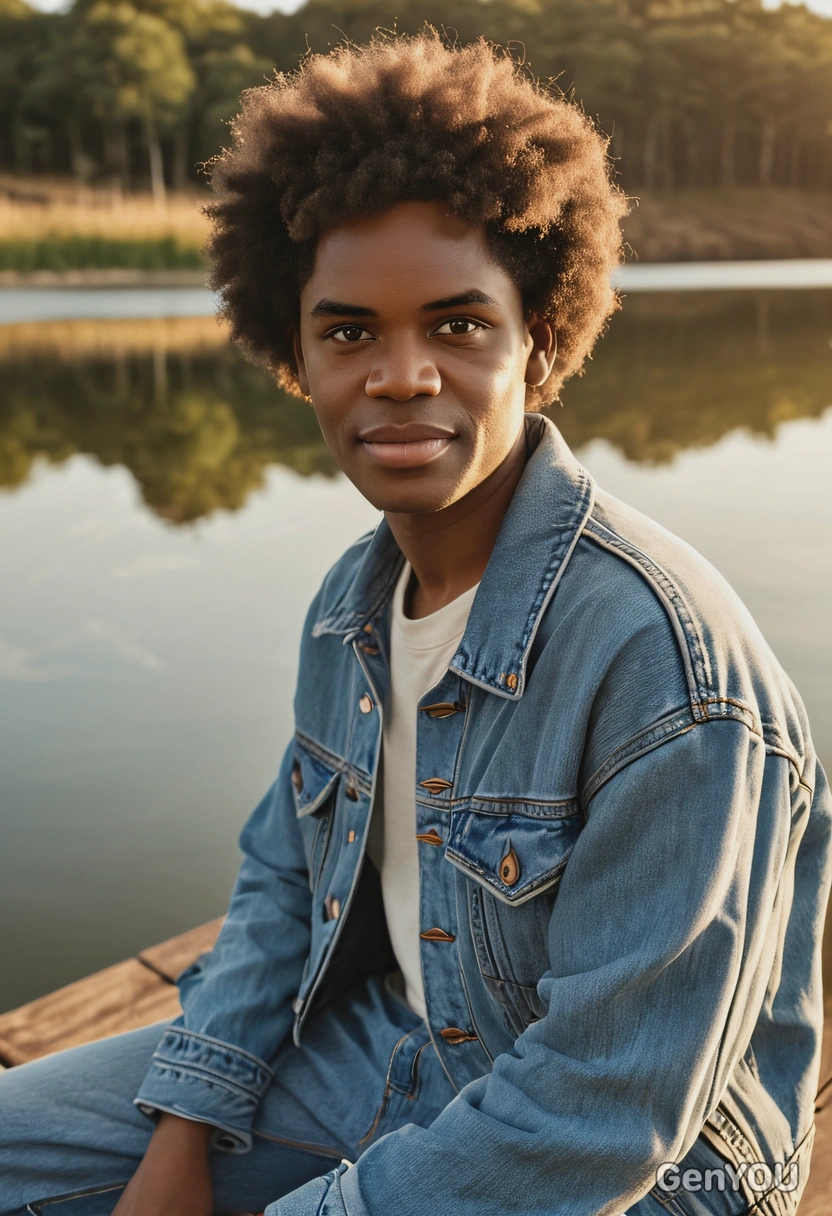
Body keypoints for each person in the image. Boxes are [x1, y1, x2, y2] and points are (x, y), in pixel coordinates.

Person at [0, 29, 829, 1216]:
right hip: (406, 1051)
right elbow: (283, 885)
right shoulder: (353, 606)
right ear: (293, 355)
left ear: (537, 341)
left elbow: (608, 1108)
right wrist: (181, 1129)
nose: (400, 376)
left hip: (657, 1163)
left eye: (456, 325)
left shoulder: (666, 668)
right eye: (349, 332)